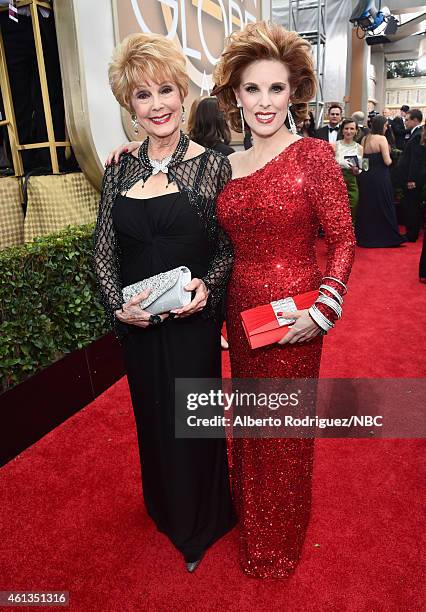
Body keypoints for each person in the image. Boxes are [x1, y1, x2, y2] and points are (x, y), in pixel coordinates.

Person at [211, 21, 355, 578]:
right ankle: (250, 518)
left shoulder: (314, 157)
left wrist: (322, 310)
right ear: (236, 96)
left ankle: (279, 538)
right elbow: (221, 244)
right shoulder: (226, 165)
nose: (265, 102)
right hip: (241, 315)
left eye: (276, 88)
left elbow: (343, 239)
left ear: (293, 92)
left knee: (284, 429)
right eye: (253, 89)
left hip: (295, 316)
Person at [94, 33, 236, 573]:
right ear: (129, 106)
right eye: (142, 96)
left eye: (165, 90)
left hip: (190, 322)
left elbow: (227, 247)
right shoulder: (120, 168)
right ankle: (164, 507)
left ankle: (200, 521)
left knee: (191, 419)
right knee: (152, 417)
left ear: (182, 92)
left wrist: (207, 286)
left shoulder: (211, 166)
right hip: (138, 326)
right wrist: (117, 307)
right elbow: (103, 248)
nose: (157, 105)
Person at [355, 115, 406, 248]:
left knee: (368, 207)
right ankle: (385, 236)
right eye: (385, 126)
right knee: (384, 205)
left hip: (366, 177)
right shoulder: (382, 139)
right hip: (380, 177)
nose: (386, 128)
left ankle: (367, 236)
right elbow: (387, 161)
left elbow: (363, 163)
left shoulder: (364, 139)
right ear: (381, 126)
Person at [397, 109, 425, 242]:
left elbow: (416, 160)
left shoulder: (418, 135)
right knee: (410, 205)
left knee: (411, 206)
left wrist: (412, 179)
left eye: (407, 120)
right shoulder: (416, 134)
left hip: (412, 180)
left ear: (415, 120)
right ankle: (411, 232)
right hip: (410, 178)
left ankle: (411, 234)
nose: (405, 122)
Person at [332, 118, 363, 223]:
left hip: (352, 184)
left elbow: (361, 168)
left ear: (356, 131)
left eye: (352, 128)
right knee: (337, 211)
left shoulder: (359, 148)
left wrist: (357, 169)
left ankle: (350, 236)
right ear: (342, 130)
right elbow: (328, 166)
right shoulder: (334, 145)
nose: (349, 131)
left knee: (352, 210)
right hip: (336, 183)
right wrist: (339, 164)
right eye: (346, 128)